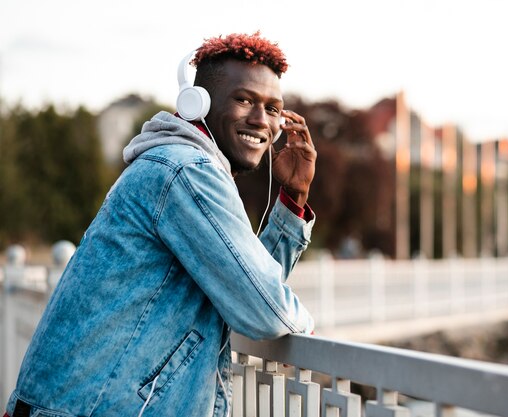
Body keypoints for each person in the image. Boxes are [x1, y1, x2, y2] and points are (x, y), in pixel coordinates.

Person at [5, 32, 316, 417]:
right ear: (196, 103)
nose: (261, 120)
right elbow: (267, 311)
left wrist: (294, 199)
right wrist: (306, 326)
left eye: (273, 108)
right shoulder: (185, 171)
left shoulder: (182, 166)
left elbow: (244, 287)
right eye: (244, 99)